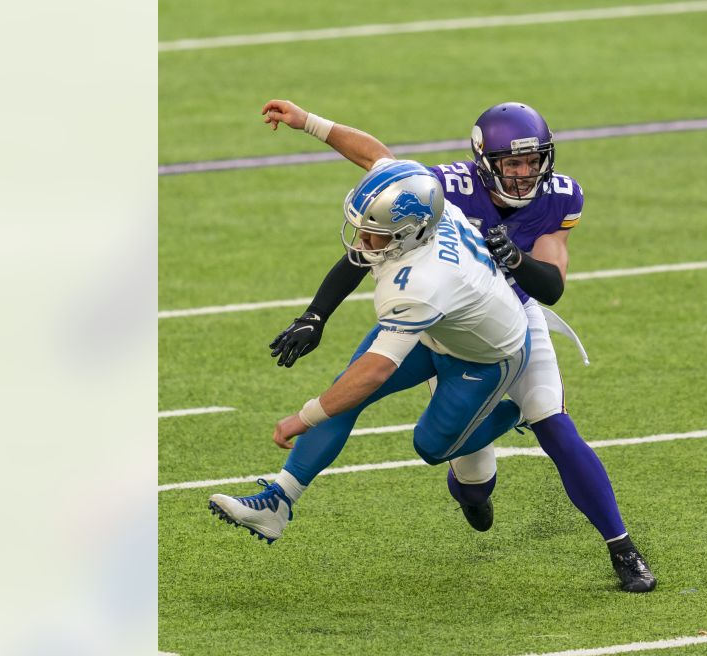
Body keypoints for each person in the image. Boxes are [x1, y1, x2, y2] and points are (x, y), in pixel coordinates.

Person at [259, 99, 656, 593]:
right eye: (512, 163)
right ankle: (463, 492)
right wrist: (311, 123)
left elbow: (551, 286)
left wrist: (518, 261)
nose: (524, 174)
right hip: (439, 318)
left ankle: (623, 548)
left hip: (511, 322)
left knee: (550, 418)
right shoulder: (448, 186)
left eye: (533, 162)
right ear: (484, 160)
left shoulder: (560, 197)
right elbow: (378, 190)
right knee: (464, 475)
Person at [209, 160, 531, 545]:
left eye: (373, 232)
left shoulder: (418, 285)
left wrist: (303, 417)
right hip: (436, 328)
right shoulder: (427, 207)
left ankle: (519, 412)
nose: (361, 238)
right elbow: (375, 154)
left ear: (410, 234)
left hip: (485, 358)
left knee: (431, 447)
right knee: (342, 394)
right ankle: (278, 502)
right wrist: (309, 122)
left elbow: (375, 372)